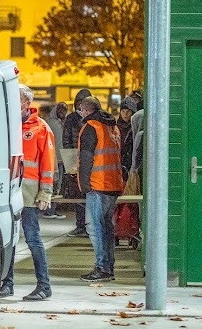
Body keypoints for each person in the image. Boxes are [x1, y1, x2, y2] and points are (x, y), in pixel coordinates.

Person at [1, 85, 55, 301]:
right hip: (9, 193)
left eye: (17, 98)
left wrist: (46, 193)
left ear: (27, 103)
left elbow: (48, 164)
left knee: (32, 239)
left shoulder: (41, 129)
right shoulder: (8, 126)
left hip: (30, 195)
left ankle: (44, 285)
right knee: (9, 240)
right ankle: (7, 284)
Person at [77, 96, 124, 282]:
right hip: (113, 183)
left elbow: (86, 158)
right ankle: (108, 266)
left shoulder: (91, 127)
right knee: (106, 228)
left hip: (98, 184)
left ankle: (102, 267)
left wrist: (84, 185)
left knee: (94, 227)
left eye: (81, 110)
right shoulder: (112, 126)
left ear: (86, 110)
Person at [62, 88, 92, 237]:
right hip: (75, 160)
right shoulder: (71, 119)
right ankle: (80, 225)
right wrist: (70, 159)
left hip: (90, 160)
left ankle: (89, 225)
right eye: (79, 103)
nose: (80, 107)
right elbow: (66, 139)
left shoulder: (93, 118)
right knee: (78, 196)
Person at [39, 103, 65, 219]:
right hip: (59, 158)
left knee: (53, 184)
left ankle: (49, 210)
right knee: (56, 185)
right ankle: (50, 210)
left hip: (53, 158)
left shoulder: (47, 124)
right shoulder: (57, 123)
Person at [117, 96, 139, 180]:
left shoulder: (136, 128)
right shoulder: (116, 127)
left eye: (128, 111)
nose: (125, 114)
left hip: (132, 166)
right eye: (123, 111)